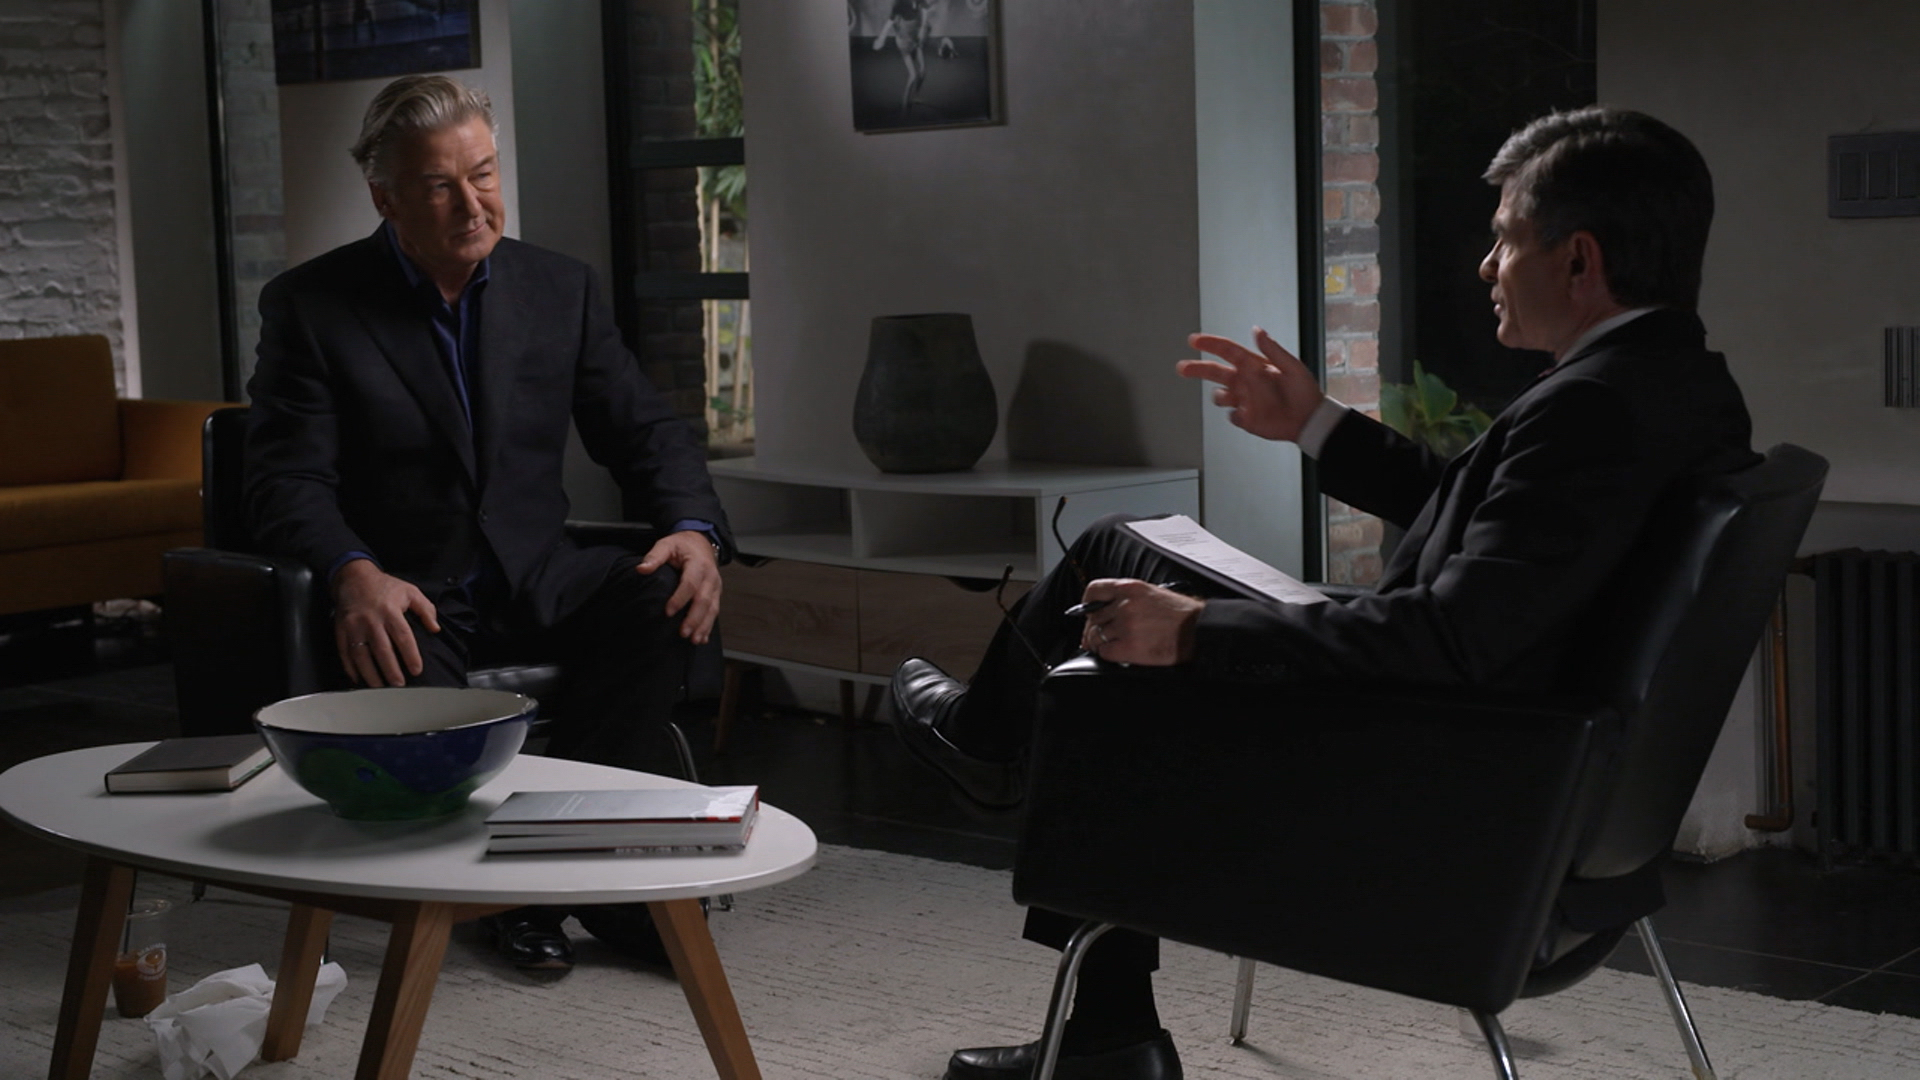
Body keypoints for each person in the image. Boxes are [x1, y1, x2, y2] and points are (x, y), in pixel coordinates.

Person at [890, 105, 1758, 1080]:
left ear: (1579, 260)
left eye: (1506, 238)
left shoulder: (1591, 409)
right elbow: (1494, 541)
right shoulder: (1680, 386)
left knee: (1111, 679)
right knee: (1121, 551)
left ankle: (1092, 1002)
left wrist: (1197, 633)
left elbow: (1454, 641)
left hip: (1432, 774)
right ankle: (1009, 794)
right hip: (1503, 756)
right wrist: (1315, 425)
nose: (1486, 266)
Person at [244, 75, 732, 975]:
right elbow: (285, 479)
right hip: (408, 592)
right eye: (440, 186)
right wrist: (353, 572)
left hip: (539, 573)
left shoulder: (559, 288)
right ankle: (541, 900)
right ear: (385, 198)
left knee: (663, 592)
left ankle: (555, 887)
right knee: (421, 713)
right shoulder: (312, 305)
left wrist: (693, 527)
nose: (473, 205)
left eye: (483, 174)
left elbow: (644, 431)